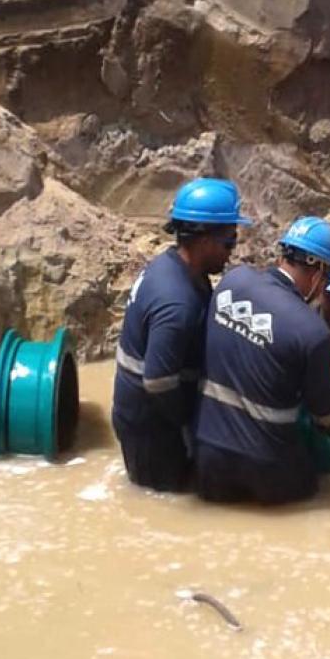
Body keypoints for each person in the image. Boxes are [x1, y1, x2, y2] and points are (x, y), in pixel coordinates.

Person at [193, 216, 330, 504]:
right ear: (319, 271)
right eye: (328, 277)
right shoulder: (311, 330)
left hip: (208, 458)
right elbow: (327, 416)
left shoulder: (232, 281)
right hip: (269, 469)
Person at [111, 177, 250, 491]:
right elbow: (158, 381)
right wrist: (193, 425)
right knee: (163, 500)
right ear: (204, 241)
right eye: (229, 241)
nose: (231, 252)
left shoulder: (173, 266)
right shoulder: (177, 302)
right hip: (153, 429)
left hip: (145, 416)